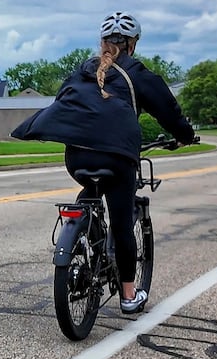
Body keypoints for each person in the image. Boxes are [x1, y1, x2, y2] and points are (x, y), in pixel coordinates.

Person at [11, 11, 195, 314]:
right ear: (132, 43)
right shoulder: (138, 74)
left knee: (91, 190)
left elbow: (64, 105)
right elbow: (170, 112)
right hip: (117, 155)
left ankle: (82, 231)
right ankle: (128, 295)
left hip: (77, 155)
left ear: (102, 42)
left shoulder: (81, 72)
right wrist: (185, 136)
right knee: (122, 222)